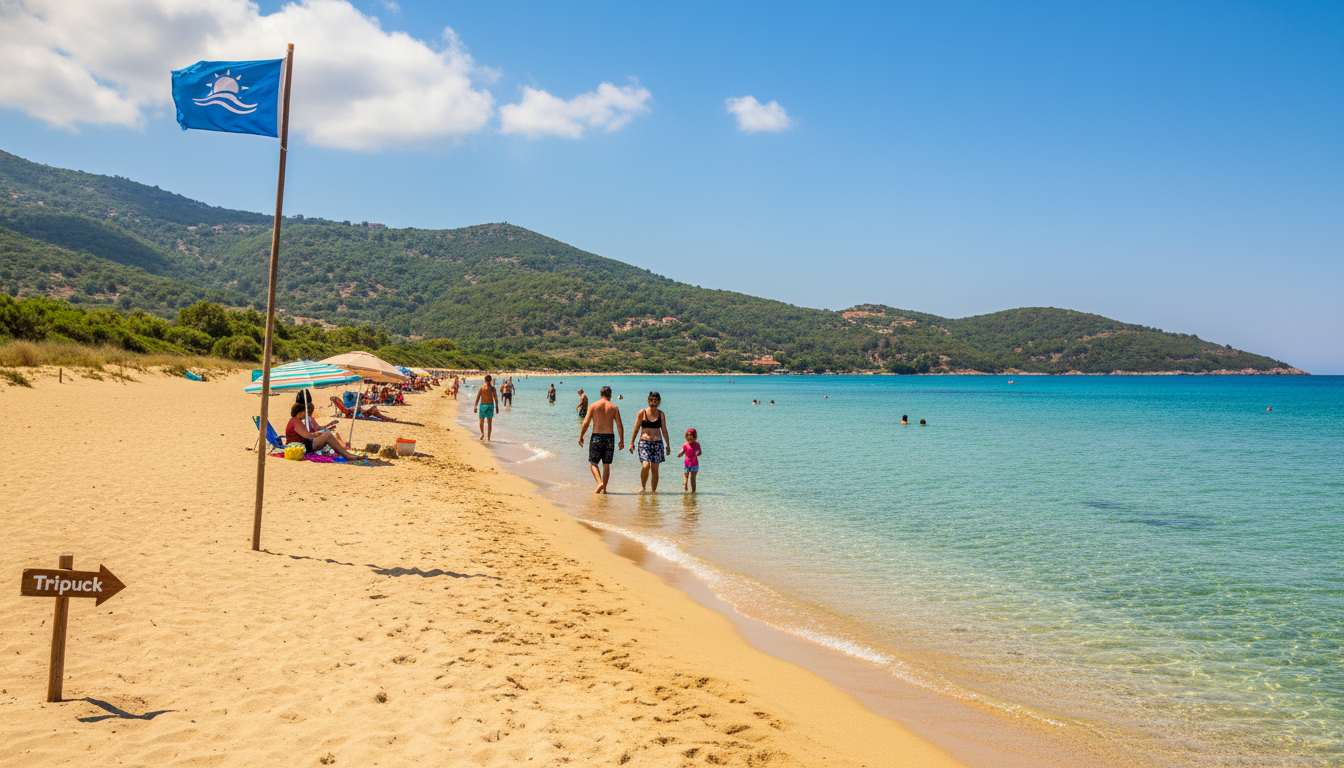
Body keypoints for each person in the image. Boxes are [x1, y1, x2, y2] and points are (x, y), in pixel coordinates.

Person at [579, 386, 624, 494]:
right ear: (610, 394)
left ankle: (600, 483)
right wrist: (621, 440)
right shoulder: (614, 407)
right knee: (606, 464)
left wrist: (581, 436)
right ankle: (604, 489)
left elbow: (586, 423)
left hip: (596, 436)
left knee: (593, 462)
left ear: (600, 394)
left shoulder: (593, 406)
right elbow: (619, 425)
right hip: (609, 438)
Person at [285, 401, 364, 461]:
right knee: (328, 435)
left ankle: (347, 454)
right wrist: (318, 434)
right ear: (299, 413)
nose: (306, 415)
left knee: (327, 434)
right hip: (302, 447)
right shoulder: (296, 422)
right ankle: (347, 456)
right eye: (304, 413)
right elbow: (307, 435)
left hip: (300, 444)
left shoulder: (293, 421)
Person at [629, 391, 671, 492]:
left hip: (658, 443)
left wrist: (668, 445)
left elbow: (664, 430)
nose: (654, 402)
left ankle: (653, 493)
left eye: (656, 400)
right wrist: (631, 443)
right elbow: (636, 428)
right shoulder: (642, 412)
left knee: (655, 469)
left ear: (659, 401)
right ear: (648, 400)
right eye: (652, 400)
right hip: (644, 442)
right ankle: (643, 487)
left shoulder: (661, 414)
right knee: (646, 465)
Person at [329, 395, 396, 422]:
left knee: (377, 412)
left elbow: (343, 409)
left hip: (359, 411)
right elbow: (343, 409)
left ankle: (390, 419)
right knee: (378, 414)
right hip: (360, 411)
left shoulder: (347, 412)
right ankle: (390, 419)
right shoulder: (347, 412)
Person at [474, 374, 499, 442]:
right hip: (490, 406)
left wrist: (475, 406)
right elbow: (496, 399)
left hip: (483, 406)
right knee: (489, 423)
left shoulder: (482, 388)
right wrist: (497, 407)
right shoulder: (492, 388)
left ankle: (484, 434)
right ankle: (488, 437)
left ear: (484, 380)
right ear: (491, 380)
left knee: (482, 422)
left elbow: (478, 397)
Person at [679, 428, 702, 493]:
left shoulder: (697, 444)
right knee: (685, 476)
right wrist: (681, 453)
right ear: (686, 437)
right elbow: (683, 451)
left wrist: (697, 453)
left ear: (694, 437)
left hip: (694, 464)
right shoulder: (685, 445)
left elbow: (700, 452)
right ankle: (685, 486)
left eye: (691, 439)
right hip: (687, 464)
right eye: (688, 439)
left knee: (693, 479)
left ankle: (693, 492)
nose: (690, 440)